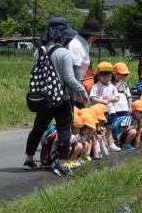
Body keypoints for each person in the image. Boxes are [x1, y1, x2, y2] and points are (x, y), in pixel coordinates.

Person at [23, 17, 88, 177]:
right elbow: (69, 78)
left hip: (44, 97)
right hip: (62, 98)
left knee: (38, 128)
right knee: (64, 130)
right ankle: (62, 163)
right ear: (62, 35)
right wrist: (82, 91)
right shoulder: (64, 53)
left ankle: (28, 160)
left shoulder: (38, 51)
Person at [68, 19, 102, 107]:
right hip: (72, 89)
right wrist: (80, 92)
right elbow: (75, 71)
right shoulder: (76, 45)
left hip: (76, 86)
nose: (96, 39)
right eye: (96, 36)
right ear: (91, 35)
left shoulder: (84, 44)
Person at [90, 61, 121, 152]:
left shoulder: (112, 86)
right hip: (99, 112)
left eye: (108, 76)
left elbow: (117, 98)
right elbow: (92, 98)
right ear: (99, 76)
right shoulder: (96, 86)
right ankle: (98, 146)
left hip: (110, 111)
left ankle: (110, 144)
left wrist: (110, 99)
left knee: (109, 128)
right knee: (98, 129)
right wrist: (103, 101)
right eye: (104, 76)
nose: (106, 78)